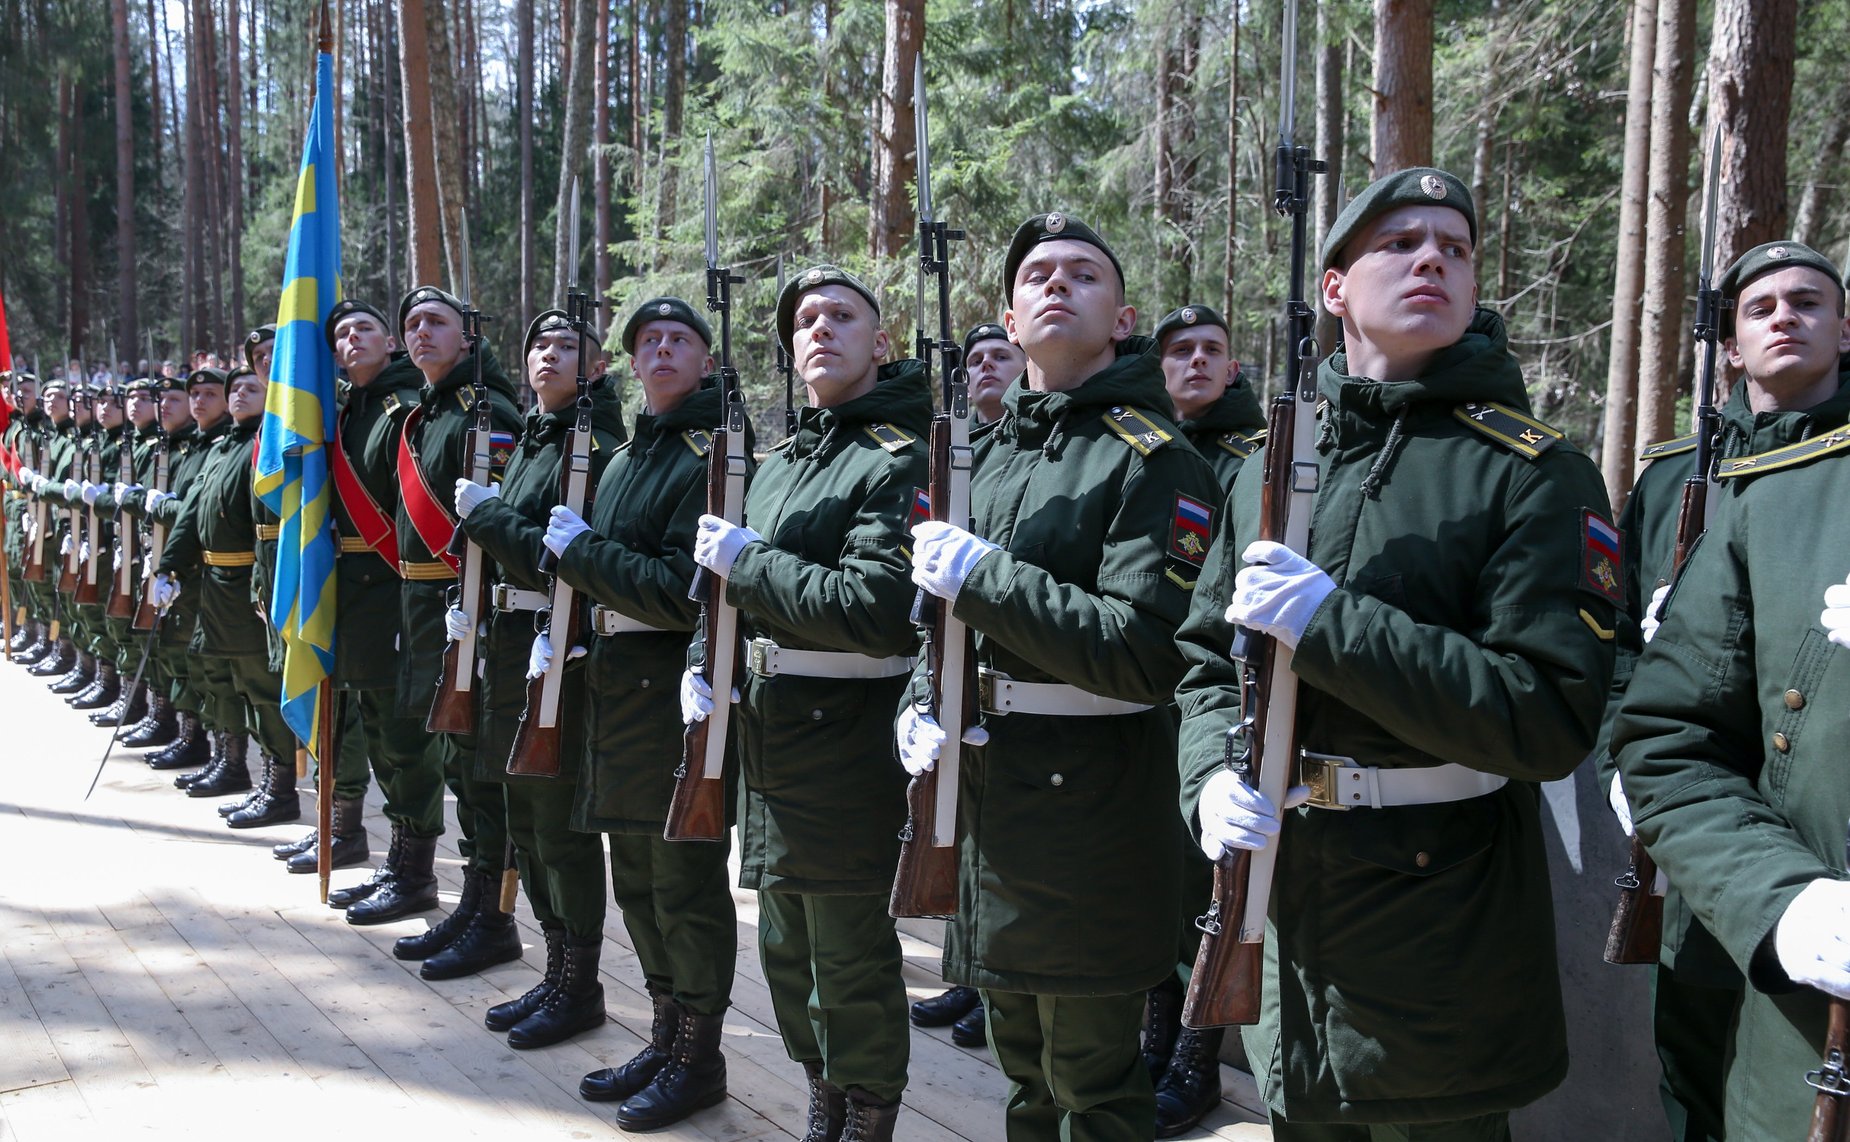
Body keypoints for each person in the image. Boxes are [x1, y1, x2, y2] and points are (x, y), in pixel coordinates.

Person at [1173, 168, 1618, 1141]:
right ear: (1333, 287)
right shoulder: (1270, 464)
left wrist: (1332, 624)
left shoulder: (1530, 472)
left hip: (1441, 938)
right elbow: (1207, 660)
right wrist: (1207, 777)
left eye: (1453, 248)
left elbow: (1543, 712)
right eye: (1398, 241)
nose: (1430, 258)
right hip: (1287, 927)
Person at [899, 212, 1221, 1142]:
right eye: (1037, 273)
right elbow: (943, 627)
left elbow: (1144, 653)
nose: (1056, 285)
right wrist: (921, 705)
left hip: (1093, 814)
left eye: (1082, 274)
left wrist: (984, 578)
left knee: (1091, 1076)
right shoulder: (988, 453)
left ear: (1122, 319)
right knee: (1022, 1069)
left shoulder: (1156, 458)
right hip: (989, 797)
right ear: (1007, 310)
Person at [1597, 239, 1850, 1142]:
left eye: (1810, 300)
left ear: (1844, 327)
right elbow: (1619, 644)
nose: (1788, 314)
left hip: (1807, 828)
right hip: (1699, 831)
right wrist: (1622, 765)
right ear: (1730, 347)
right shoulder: (1671, 473)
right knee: (1693, 1057)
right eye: (1762, 305)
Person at [683, 265, 928, 1142]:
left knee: (847, 953)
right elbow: (731, 594)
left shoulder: (901, 457)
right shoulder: (784, 461)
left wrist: (748, 561)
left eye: (841, 316)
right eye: (805, 320)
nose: (820, 329)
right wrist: (704, 660)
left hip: (846, 743)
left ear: (881, 340)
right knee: (787, 948)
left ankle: (866, 1113)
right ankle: (822, 1091)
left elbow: (872, 608)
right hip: (769, 737)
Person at [550, 297, 742, 1128]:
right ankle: (665, 1034)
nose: (661, 350)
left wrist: (582, 553)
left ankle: (700, 1054)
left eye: (678, 340)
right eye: (647, 341)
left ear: (704, 361)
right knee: (635, 878)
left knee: (683, 886)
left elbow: (675, 592)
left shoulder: (711, 456)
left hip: (670, 696)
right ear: (631, 364)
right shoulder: (629, 456)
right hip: (614, 694)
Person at [455, 307, 625, 1048]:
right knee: (525, 818)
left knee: (558, 828)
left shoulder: (598, 443)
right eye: (539, 346)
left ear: (595, 367)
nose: (549, 355)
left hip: (560, 647)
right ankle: (555, 969)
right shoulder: (534, 437)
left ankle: (579, 982)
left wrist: (489, 519)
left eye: (567, 346)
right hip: (511, 641)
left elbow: (558, 556)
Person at [273, 301, 448, 891]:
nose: (351, 340)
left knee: (405, 744)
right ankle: (392, 858)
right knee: (375, 736)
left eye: (364, 329)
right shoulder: (347, 412)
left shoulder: (407, 411)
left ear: (391, 343)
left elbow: (412, 513)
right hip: (353, 599)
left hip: (395, 596)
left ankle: (415, 870)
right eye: (341, 335)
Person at [387, 285, 525, 978]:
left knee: (479, 766)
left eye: (435, 323)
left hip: (470, 608)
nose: (420, 334)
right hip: (427, 612)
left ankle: (494, 918)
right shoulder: (429, 413)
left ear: (468, 337)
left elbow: (496, 527)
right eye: (411, 325)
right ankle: (471, 902)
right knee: (456, 766)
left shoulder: (485, 412)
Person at [961, 323, 1025, 427]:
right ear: (966, 388)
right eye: (977, 362)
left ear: (1027, 373)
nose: (986, 362)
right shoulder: (952, 439)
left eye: (1001, 357)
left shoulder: (1052, 431)